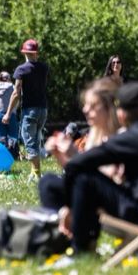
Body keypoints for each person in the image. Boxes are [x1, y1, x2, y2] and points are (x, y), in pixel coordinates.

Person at [43, 81, 138, 254]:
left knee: (84, 177)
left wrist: (68, 206)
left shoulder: (132, 138)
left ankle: (80, 250)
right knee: (71, 178)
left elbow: (79, 165)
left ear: (121, 114)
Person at [39, 79, 122, 210]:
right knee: (48, 182)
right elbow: (82, 172)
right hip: (90, 190)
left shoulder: (121, 137)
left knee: (78, 183)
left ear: (109, 108)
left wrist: (75, 156)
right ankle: (61, 224)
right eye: (85, 104)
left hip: (115, 199)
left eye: (93, 105)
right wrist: (61, 156)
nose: (85, 109)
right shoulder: (94, 134)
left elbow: (111, 178)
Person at [4, 39, 50, 179]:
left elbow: (16, 92)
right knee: (35, 140)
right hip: (43, 109)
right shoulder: (44, 67)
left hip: (29, 110)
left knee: (29, 142)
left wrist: (7, 113)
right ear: (36, 53)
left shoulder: (21, 70)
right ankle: (34, 171)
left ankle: (36, 173)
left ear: (24, 52)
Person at [0, 71, 19, 146]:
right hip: (11, 114)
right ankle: (12, 155)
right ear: (8, 78)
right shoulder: (12, 86)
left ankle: (1, 156)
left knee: (0, 139)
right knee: (12, 138)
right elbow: (17, 101)